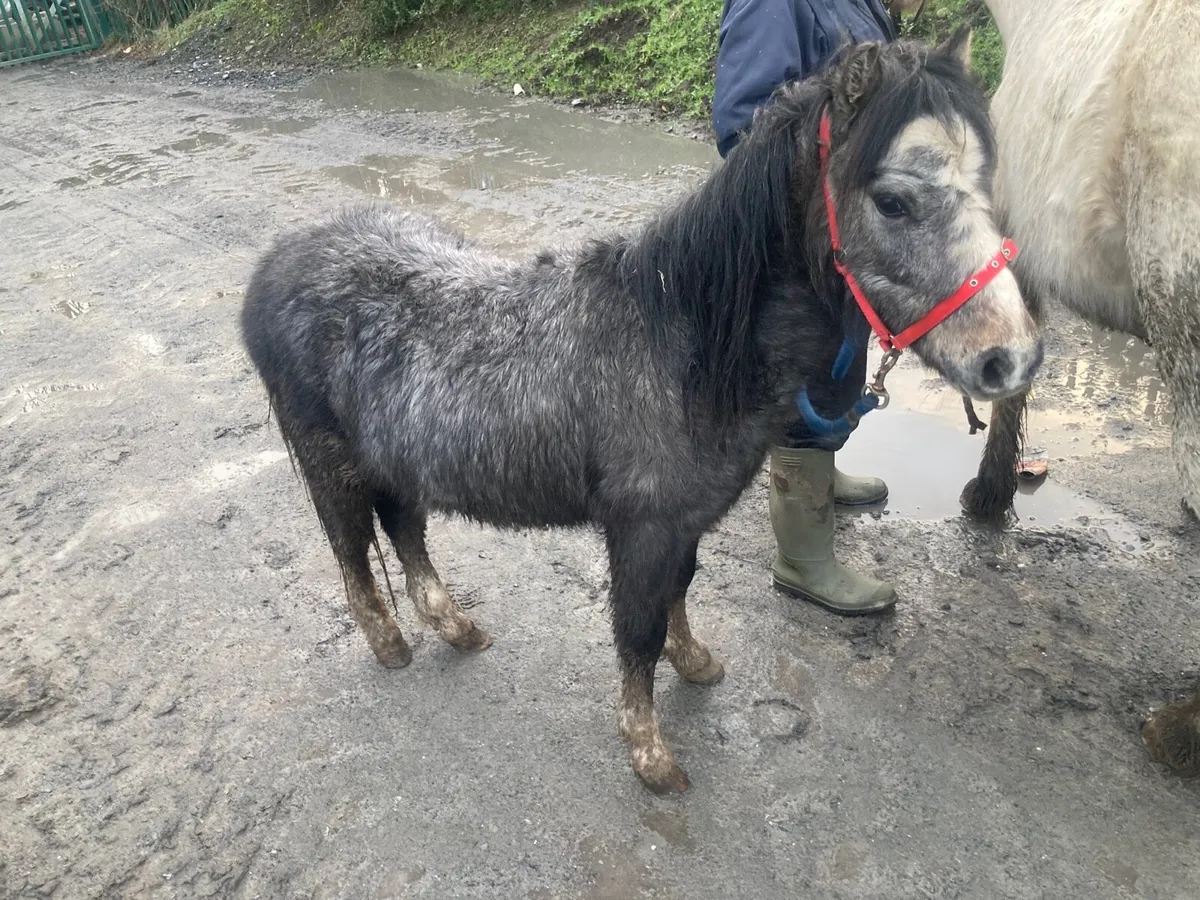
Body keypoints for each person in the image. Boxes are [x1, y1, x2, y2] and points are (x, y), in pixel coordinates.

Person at [712, 0, 901, 615]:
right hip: (800, 238)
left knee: (844, 361)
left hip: (847, 230)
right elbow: (742, 122)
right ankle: (802, 558)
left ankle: (820, 471)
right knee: (808, 382)